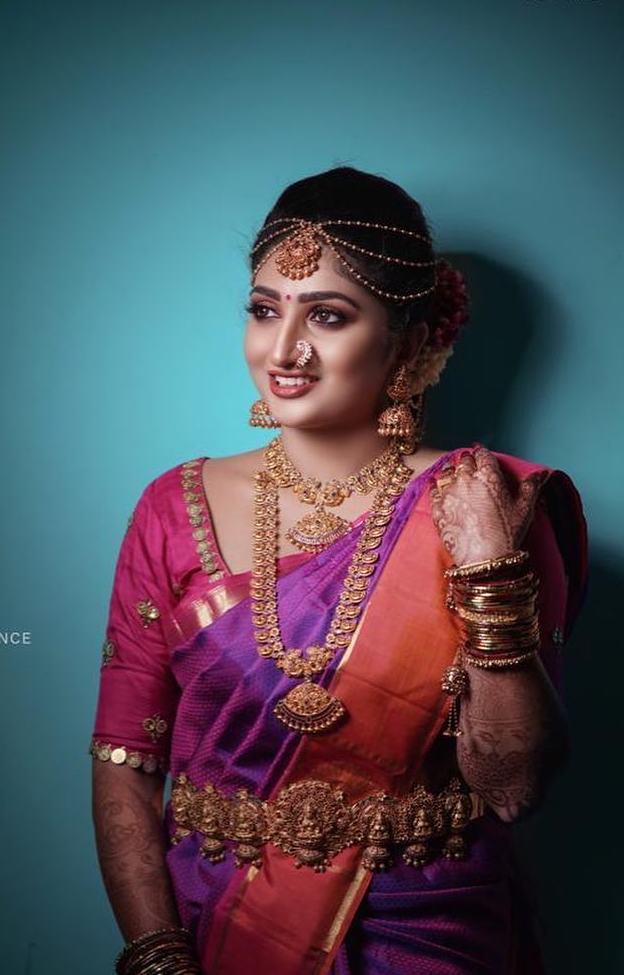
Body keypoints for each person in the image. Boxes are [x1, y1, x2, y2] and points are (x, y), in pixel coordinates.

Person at [89, 166, 588, 975]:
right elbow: (123, 763)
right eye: (263, 310)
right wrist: (157, 957)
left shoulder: (487, 505)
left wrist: (488, 570)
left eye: (326, 315)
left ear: (409, 342)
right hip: (222, 925)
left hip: (432, 936)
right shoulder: (170, 507)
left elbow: (512, 787)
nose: (283, 349)